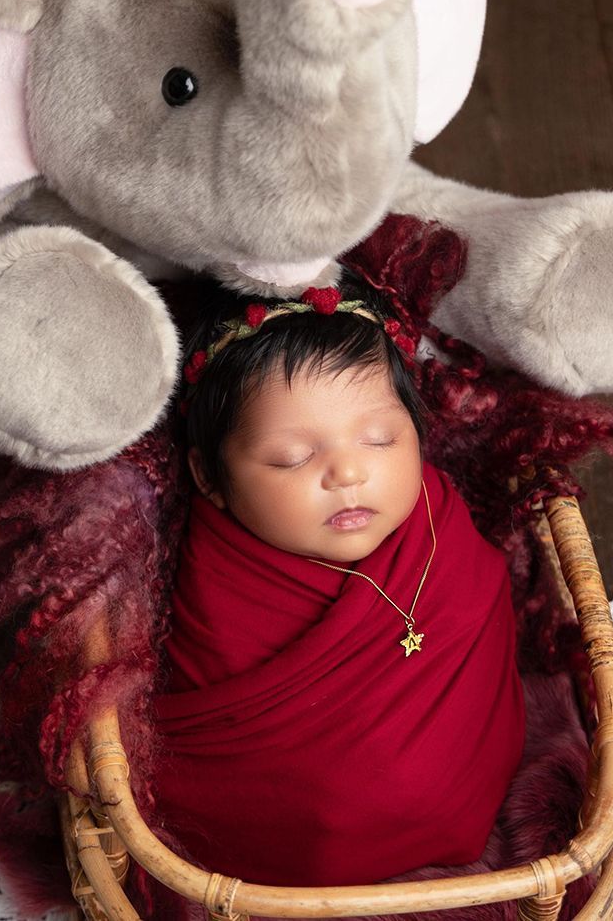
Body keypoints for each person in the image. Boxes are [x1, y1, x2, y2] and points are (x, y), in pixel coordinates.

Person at [150, 273, 527, 889]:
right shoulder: (220, 591)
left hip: (478, 791)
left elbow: (486, 632)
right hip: (291, 851)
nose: (348, 471)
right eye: (292, 457)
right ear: (209, 477)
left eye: (380, 439)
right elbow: (225, 770)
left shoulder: (437, 516)